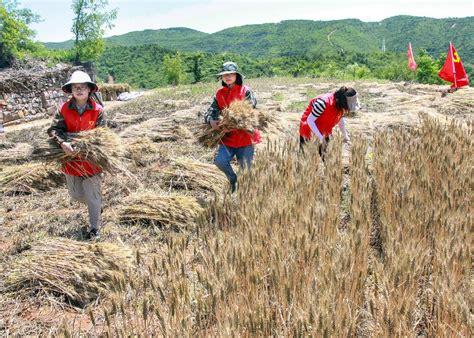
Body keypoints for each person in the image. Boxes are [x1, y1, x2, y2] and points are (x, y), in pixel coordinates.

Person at [47, 70, 106, 240]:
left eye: (82, 87)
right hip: (70, 160)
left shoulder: (97, 110)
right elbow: (53, 130)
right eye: (75, 87)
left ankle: (94, 228)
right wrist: (62, 143)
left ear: (89, 90)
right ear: (71, 90)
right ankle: (95, 203)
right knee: (77, 195)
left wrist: (86, 146)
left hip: (91, 161)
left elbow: (102, 135)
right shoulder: (64, 109)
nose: (79, 90)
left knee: (92, 194)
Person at [204, 61, 260, 192]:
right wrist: (211, 121)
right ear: (221, 78)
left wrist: (233, 122)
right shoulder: (219, 93)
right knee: (220, 161)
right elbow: (210, 111)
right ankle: (232, 178)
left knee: (246, 170)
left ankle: (245, 195)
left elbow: (250, 109)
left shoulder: (246, 91)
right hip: (227, 139)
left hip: (245, 138)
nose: (227, 77)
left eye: (230, 74)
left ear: (236, 75)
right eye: (224, 75)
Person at [299, 86, 360, 158]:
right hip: (309, 130)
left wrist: (345, 136)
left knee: (327, 160)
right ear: (344, 101)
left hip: (325, 130)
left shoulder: (341, 105)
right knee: (305, 159)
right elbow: (310, 120)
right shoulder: (323, 103)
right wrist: (320, 138)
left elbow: (340, 119)